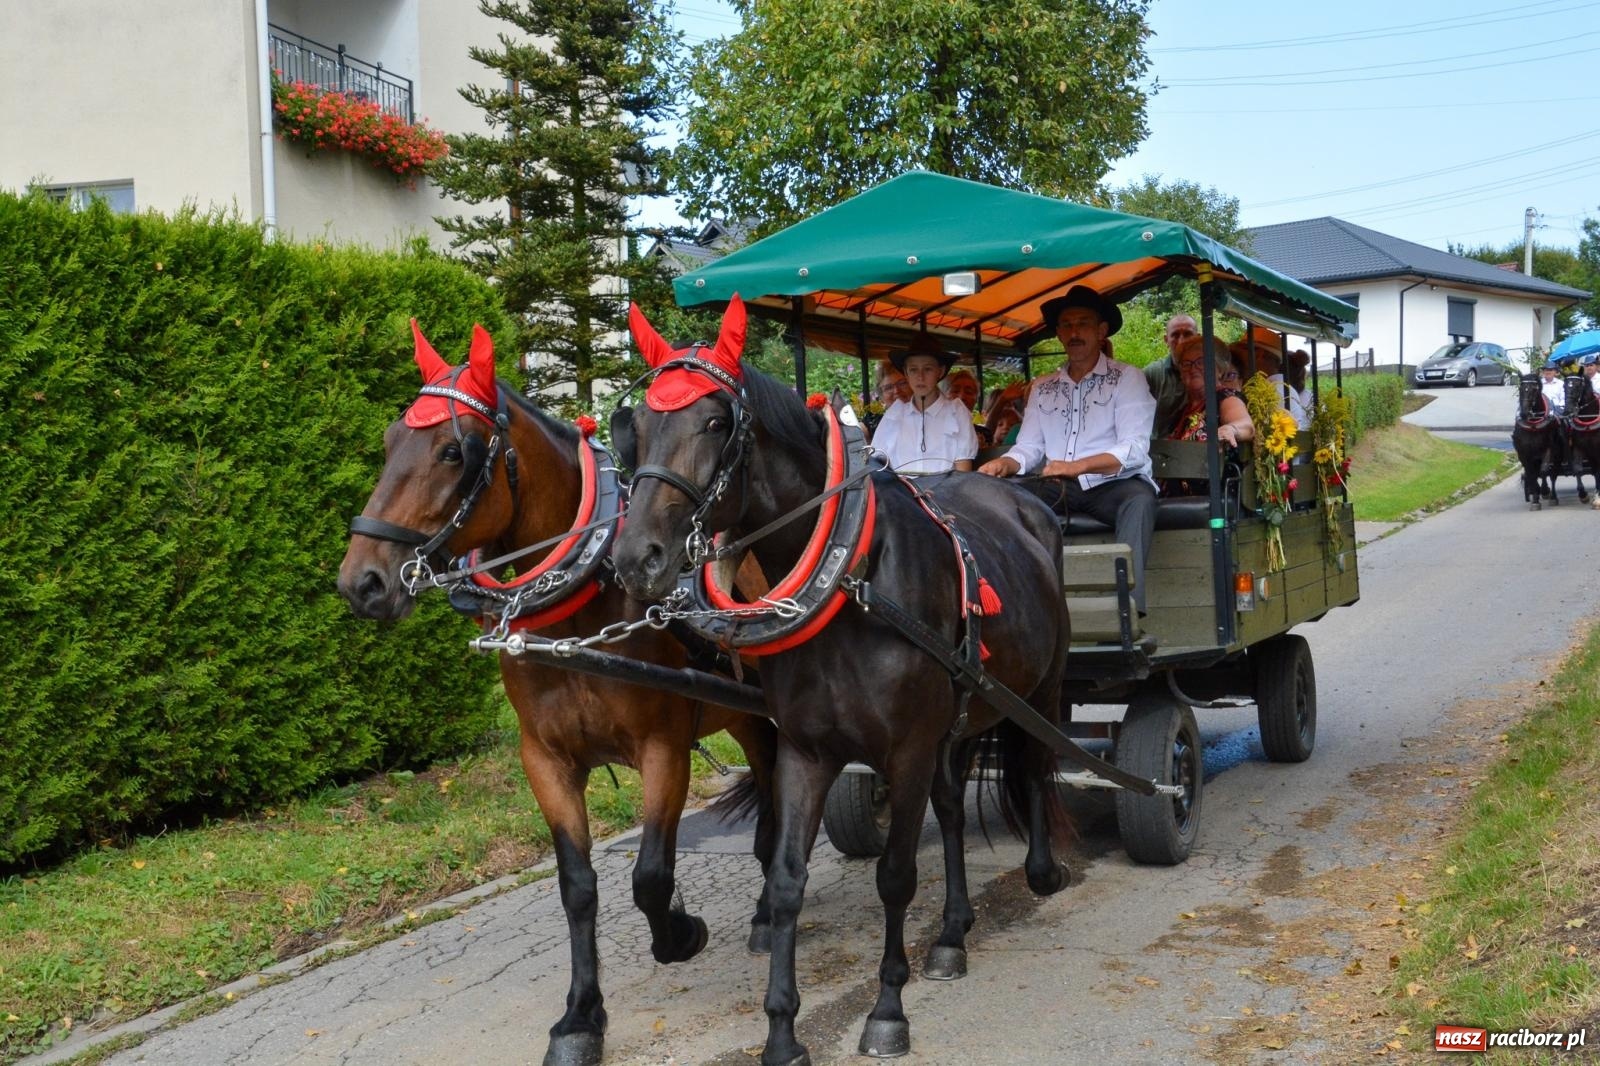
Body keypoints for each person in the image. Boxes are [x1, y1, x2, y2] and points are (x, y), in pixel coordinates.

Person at [978, 285, 1158, 613]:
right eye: (1067, 325)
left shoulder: (1127, 378)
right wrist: (1004, 464)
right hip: (1058, 488)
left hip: (1112, 487)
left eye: (1084, 323)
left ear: (1101, 331)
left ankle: (1127, 609)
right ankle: (1015, 605)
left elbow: (1134, 449)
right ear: (1059, 334)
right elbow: (1029, 447)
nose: (1074, 332)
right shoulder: (1044, 387)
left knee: (1140, 500)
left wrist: (1079, 466)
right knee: (1001, 500)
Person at [871, 333, 980, 475]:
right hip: (901, 494)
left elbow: (963, 472)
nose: (920, 377)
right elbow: (876, 464)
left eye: (927, 369)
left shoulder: (956, 412)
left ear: (940, 372)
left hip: (945, 494)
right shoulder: (894, 415)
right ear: (906, 372)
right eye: (913, 369)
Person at [1161, 335, 1255, 497]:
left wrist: (1230, 429)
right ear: (1180, 373)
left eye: (1201, 362)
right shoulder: (1182, 411)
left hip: (1216, 494)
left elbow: (1246, 426)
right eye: (1186, 364)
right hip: (1177, 497)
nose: (1193, 368)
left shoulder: (1226, 397)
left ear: (1219, 369)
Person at [1146, 313, 1198, 434]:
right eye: (1175, 335)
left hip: (1200, 448)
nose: (1181, 341)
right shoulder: (1153, 374)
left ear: (1198, 338)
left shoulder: (1211, 372)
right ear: (1166, 340)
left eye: (1188, 334)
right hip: (1160, 449)